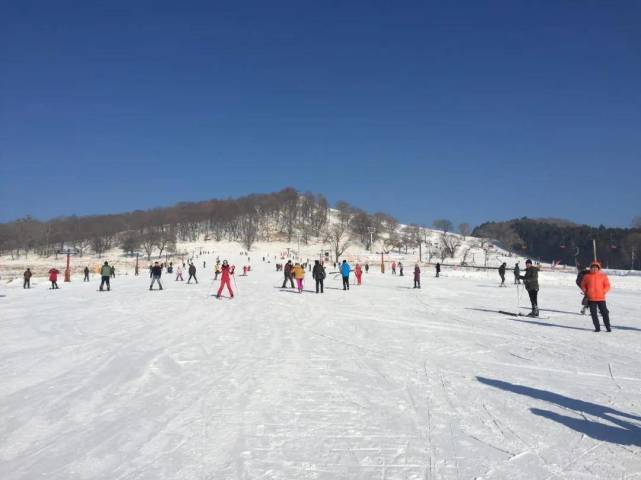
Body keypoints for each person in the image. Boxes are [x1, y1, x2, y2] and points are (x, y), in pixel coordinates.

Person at [580, 261, 611, 332]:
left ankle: (608, 327)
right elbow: (583, 285)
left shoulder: (603, 276)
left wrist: (604, 291)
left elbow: (607, 285)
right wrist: (585, 291)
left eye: (596, 268)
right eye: (592, 267)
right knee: (593, 314)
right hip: (591, 299)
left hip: (601, 298)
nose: (594, 269)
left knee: (605, 313)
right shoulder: (586, 276)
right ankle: (597, 328)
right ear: (590, 268)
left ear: (598, 268)